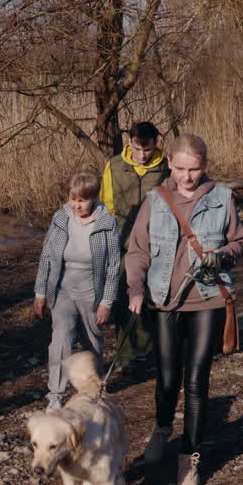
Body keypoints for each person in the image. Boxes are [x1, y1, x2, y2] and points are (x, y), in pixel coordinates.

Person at [125, 134, 243, 485]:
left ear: (204, 166)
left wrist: (223, 255)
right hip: (164, 300)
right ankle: (163, 428)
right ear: (170, 165)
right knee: (166, 377)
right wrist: (135, 289)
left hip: (207, 299)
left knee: (196, 380)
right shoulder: (155, 200)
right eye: (180, 168)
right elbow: (137, 251)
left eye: (194, 169)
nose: (187, 177)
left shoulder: (223, 197)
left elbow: (239, 241)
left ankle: (188, 459)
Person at [34, 171, 122, 411]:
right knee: (60, 340)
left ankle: (95, 389)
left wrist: (106, 301)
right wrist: (40, 292)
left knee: (93, 341)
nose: (77, 205)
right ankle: (56, 394)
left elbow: (114, 265)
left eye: (82, 200)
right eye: (73, 199)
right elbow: (47, 257)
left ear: (93, 197)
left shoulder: (107, 222)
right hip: (62, 287)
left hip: (92, 289)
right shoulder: (61, 218)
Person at [102, 122, 170, 374]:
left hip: (157, 240)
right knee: (123, 296)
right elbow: (106, 204)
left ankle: (146, 346)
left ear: (155, 144)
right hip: (121, 240)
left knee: (152, 293)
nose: (143, 155)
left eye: (148, 149)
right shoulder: (114, 165)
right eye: (138, 148)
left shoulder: (166, 168)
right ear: (130, 142)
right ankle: (125, 353)